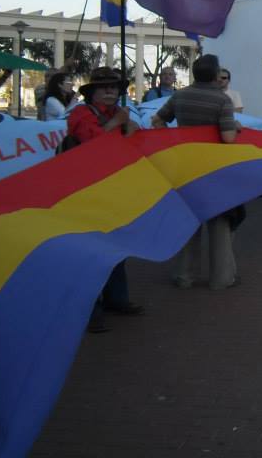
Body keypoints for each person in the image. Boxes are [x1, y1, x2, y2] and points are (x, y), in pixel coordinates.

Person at [152, 54, 241, 289]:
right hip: (215, 169)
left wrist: (177, 138)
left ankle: (184, 276)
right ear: (214, 75)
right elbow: (229, 138)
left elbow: (157, 121)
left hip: (186, 167)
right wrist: (236, 128)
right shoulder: (222, 100)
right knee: (219, 222)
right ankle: (222, 278)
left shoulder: (179, 96)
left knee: (189, 220)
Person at [67, 67, 143, 331]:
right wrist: (118, 123)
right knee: (91, 250)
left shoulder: (117, 114)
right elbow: (93, 143)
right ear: (93, 93)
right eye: (105, 87)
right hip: (84, 189)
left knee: (116, 245)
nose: (111, 91)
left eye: (114, 87)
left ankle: (116, 299)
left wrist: (129, 127)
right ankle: (90, 308)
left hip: (112, 187)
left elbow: (131, 144)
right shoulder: (81, 114)